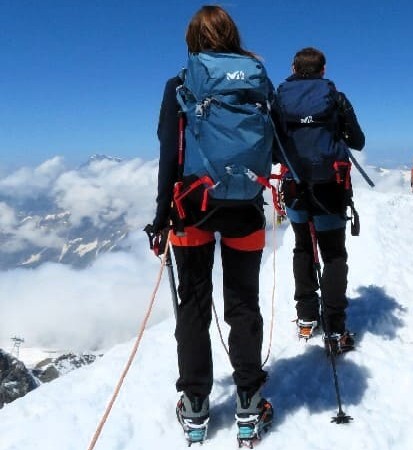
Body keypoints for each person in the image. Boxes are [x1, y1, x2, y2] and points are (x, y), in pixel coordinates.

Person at [149, 5, 272, 445]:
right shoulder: (257, 78)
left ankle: (196, 405)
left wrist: (161, 216)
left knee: (195, 305)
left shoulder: (180, 85)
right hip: (245, 206)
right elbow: (271, 147)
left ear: (192, 40)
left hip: (192, 205)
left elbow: (170, 155)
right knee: (243, 304)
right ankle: (249, 403)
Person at [273, 47, 365, 353]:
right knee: (334, 254)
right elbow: (358, 141)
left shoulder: (280, 98)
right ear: (323, 70)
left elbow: (274, 147)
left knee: (302, 247)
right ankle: (335, 328)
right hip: (331, 187)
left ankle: (306, 317)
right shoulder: (335, 98)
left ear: (293, 67)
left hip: (295, 186)